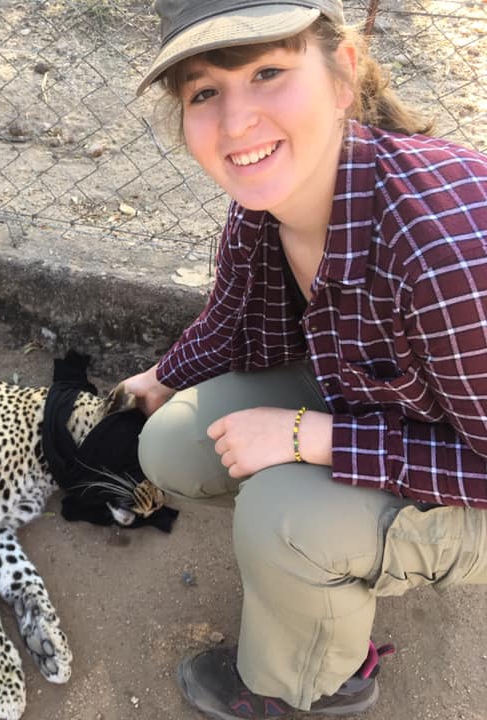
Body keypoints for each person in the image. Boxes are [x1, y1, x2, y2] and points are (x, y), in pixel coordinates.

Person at [126, 0, 487, 718]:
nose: (236, 123)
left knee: (284, 518)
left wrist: (310, 439)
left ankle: (315, 680)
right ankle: (328, 564)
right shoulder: (270, 200)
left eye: (268, 72)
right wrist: (160, 379)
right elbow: (229, 320)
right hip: (411, 415)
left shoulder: (443, 254)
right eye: (206, 91)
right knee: (173, 445)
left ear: (343, 74)